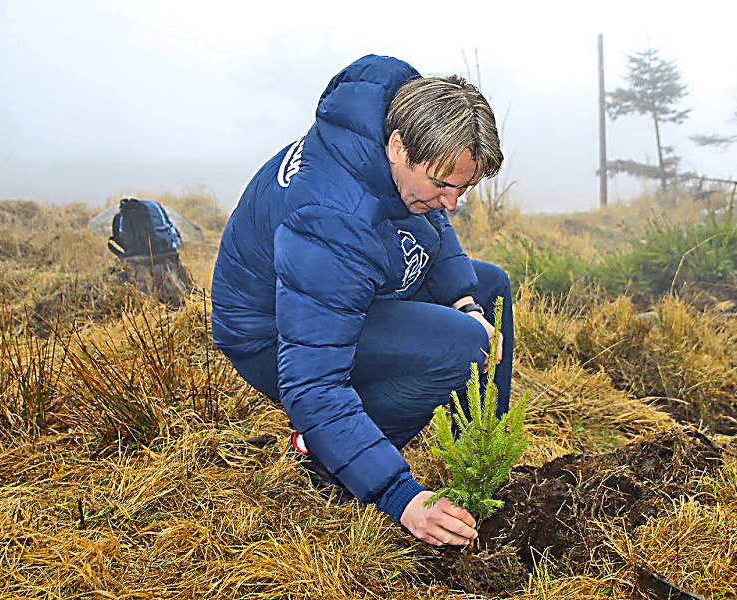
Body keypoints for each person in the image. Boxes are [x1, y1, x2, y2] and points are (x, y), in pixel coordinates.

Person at [211, 54, 514, 547]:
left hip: (345, 286)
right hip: (274, 334)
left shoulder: (393, 125)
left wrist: (465, 300)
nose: (453, 203)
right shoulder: (331, 219)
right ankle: (329, 463)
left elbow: (430, 223)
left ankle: (480, 462)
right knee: (459, 347)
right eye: (442, 185)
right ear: (398, 147)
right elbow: (311, 383)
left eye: (463, 188)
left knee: (490, 286)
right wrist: (402, 497)